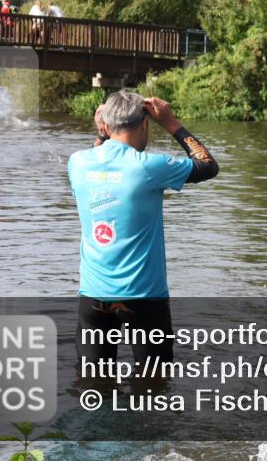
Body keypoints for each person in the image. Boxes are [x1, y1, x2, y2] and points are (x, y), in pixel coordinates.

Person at [67, 90, 219, 369]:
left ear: (106, 125)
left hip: (94, 295)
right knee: (154, 382)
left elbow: (96, 155)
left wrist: (101, 134)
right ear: (145, 124)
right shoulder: (150, 166)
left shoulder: (77, 162)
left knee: (92, 380)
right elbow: (207, 166)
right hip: (144, 298)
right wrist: (171, 123)